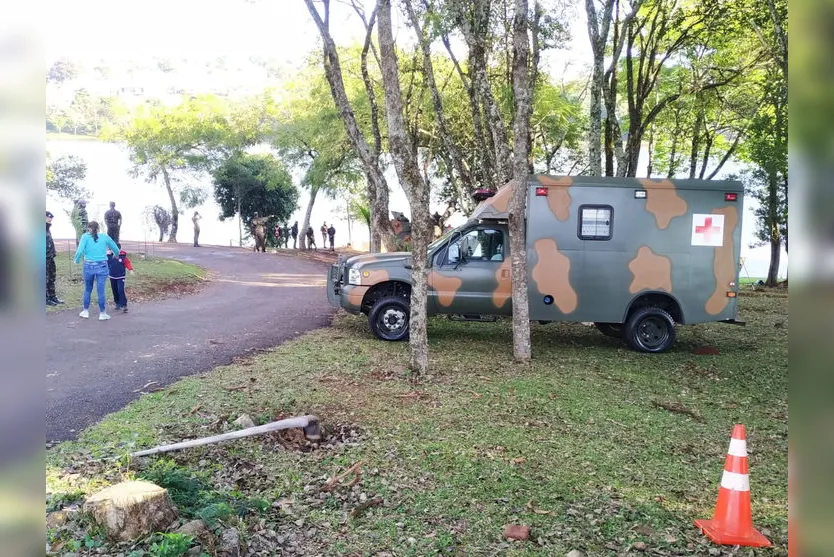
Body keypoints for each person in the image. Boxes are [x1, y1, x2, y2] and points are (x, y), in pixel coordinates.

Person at [74, 221, 120, 320]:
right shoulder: (104, 237)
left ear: (88, 228)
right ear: (98, 228)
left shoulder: (85, 237)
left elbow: (80, 250)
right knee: (101, 291)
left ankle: (85, 311)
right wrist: (116, 254)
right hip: (102, 266)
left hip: (88, 266)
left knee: (87, 289)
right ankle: (102, 313)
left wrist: (77, 260)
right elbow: (115, 247)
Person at [107, 247, 134, 312]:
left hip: (121, 277)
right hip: (112, 276)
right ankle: (117, 303)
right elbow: (105, 263)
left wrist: (130, 270)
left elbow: (127, 263)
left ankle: (124, 305)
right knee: (115, 290)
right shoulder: (109, 256)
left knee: (120, 290)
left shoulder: (122, 256)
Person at [45, 211, 64, 306]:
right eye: (48, 217)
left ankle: (52, 296)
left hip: (50, 258)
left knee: (51, 277)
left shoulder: (47, 229)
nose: (50, 219)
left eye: (51, 218)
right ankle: (46, 299)